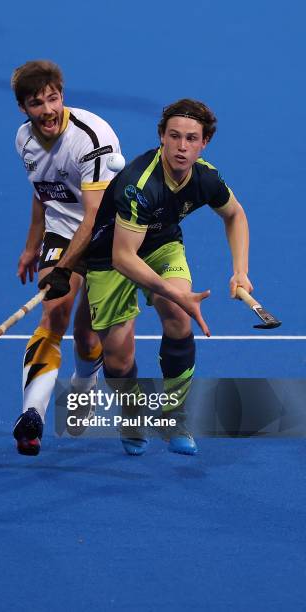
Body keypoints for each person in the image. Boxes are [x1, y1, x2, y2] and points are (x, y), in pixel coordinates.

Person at [82, 98, 253, 456]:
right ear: (161, 136)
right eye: (174, 136)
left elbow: (235, 215)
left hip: (161, 246)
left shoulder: (205, 177)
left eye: (192, 138)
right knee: (117, 357)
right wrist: (175, 294)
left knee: (177, 317)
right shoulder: (139, 184)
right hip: (110, 258)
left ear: (204, 142)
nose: (182, 146)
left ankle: (174, 414)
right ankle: (132, 413)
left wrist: (240, 271)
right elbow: (123, 257)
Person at [11, 60, 121, 456]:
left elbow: (93, 217)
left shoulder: (91, 138)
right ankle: (31, 416)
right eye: (36, 103)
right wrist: (31, 246)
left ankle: (84, 383)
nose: (47, 110)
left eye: (53, 98)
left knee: (89, 332)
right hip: (61, 230)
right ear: (24, 108)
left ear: (62, 96)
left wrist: (64, 267)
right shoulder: (24, 140)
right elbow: (45, 191)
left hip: (108, 233)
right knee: (53, 314)